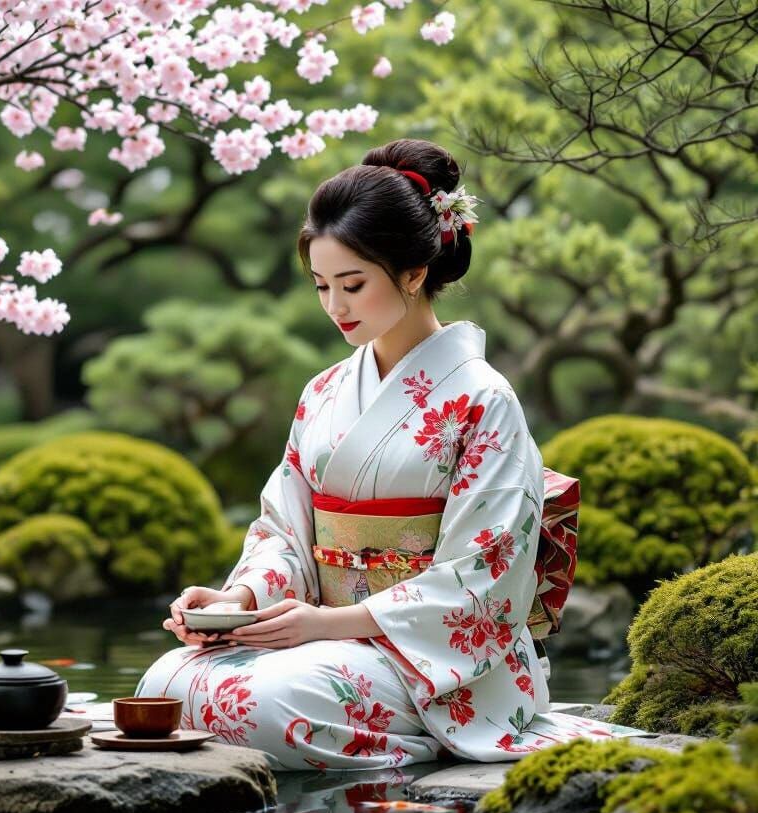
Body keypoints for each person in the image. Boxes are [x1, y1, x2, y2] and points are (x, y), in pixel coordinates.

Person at [136, 138, 636, 770]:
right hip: (319, 637)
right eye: (321, 286)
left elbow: (482, 578)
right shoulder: (323, 392)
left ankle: (423, 740)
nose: (334, 307)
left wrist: (324, 625)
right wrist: (239, 604)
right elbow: (284, 534)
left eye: (352, 284)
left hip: (434, 662)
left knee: (264, 699)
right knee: (166, 681)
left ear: (413, 273)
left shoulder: (485, 400)